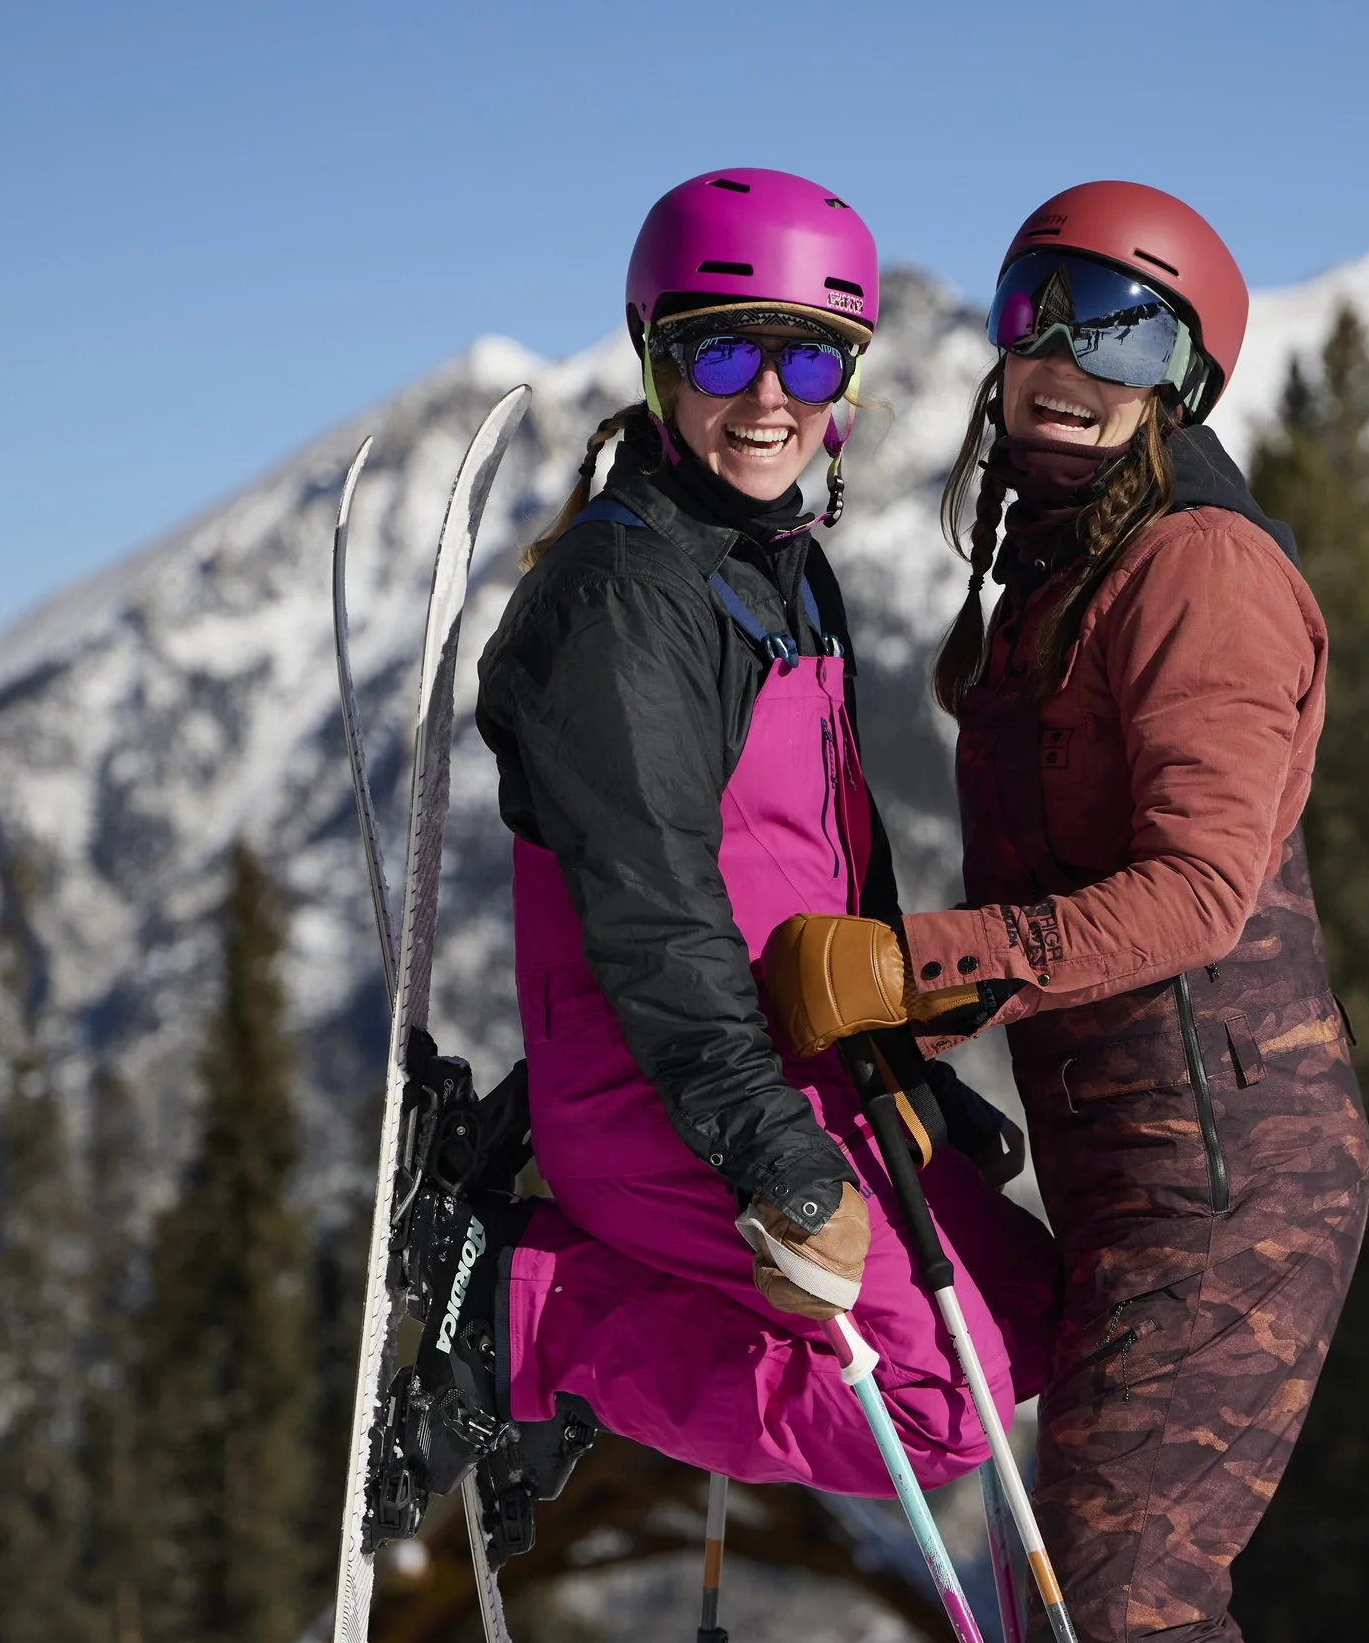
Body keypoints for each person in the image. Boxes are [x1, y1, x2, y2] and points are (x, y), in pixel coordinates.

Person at [764, 180, 1369, 1643]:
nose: (1066, 359)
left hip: (1238, 1168)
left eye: (1125, 331)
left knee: (1128, 1602)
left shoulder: (1198, 572)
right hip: (1135, 1154)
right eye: (1045, 315)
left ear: (1186, 372)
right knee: (1080, 1626)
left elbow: (1198, 889)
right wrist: (912, 1032)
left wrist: (921, 970)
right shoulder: (1049, 571)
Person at [421, 166, 1055, 1517]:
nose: (768, 397)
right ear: (657, 361)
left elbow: (830, 861)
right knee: (941, 1412)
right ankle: (521, 1316)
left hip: (793, 1067)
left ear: (847, 385)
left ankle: (605, 1330)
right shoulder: (622, 599)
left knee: (1035, 1304)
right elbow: (653, 907)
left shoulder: (779, 565)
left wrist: (910, 1070)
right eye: (723, 350)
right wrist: (772, 1155)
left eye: (810, 360)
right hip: (669, 1094)